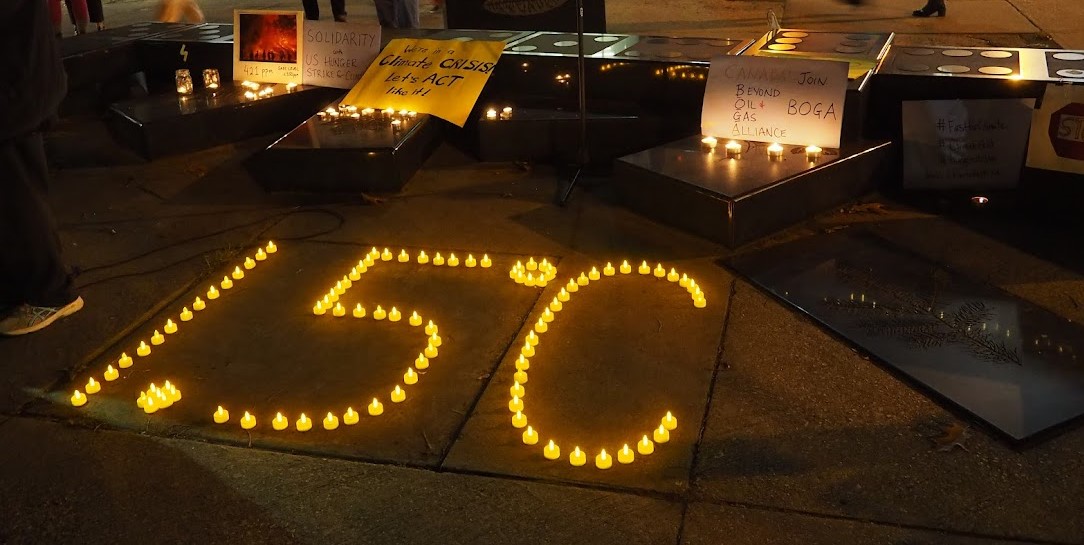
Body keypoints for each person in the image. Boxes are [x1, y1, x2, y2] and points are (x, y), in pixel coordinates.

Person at [0, 0, 84, 335]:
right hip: (18, 81)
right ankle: (20, 286)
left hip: (16, 87)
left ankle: (50, 294)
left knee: (16, 190)